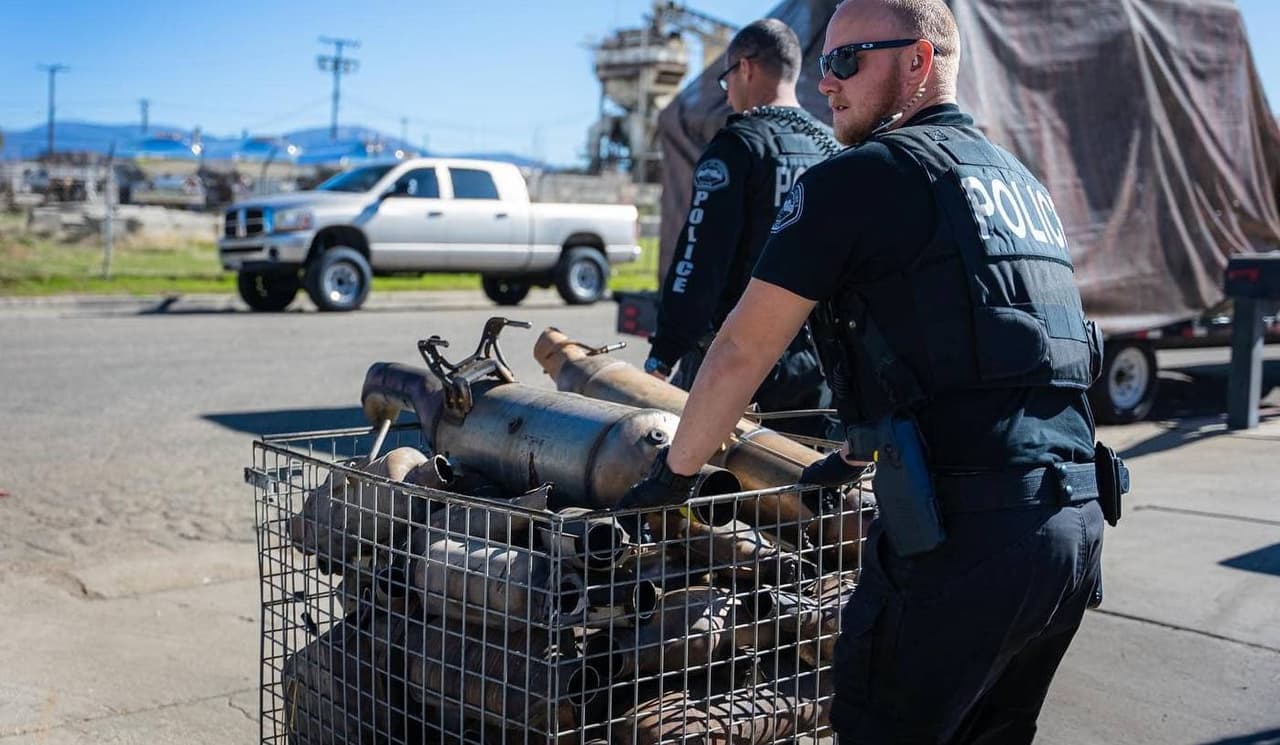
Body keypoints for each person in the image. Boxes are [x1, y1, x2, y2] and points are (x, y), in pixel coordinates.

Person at [620, 0, 1128, 742]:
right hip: (1072, 532)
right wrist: (856, 452)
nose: (826, 82)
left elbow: (740, 350)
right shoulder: (1019, 182)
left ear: (919, 61)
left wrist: (676, 470)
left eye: (845, 61)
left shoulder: (860, 178)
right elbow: (975, 352)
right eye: (824, 61)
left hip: (963, 540)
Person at [645, 18, 842, 439]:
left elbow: (699, 262)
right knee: (807, 476)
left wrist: (663, 354)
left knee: (715, 478)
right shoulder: (834, 151)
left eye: (726, 79)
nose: (727, 93)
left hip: (739, 368)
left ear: (746, 68)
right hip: (819, 371)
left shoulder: (737, 147)